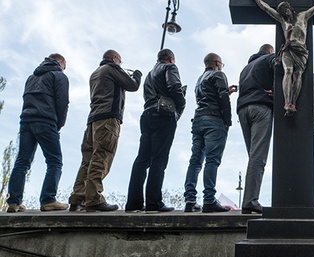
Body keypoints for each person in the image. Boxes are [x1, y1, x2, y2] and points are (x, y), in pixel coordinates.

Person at [69, 50, 142, 212]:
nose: (120, 65)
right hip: (108, 119)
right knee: (102, 157)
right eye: (120, 62)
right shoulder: (111, 68)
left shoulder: (95, 73)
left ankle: (77, 198)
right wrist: (137, 75)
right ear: (115, 59)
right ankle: (94, 198)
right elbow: (132, 85)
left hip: (92, 120)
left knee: (87, 160)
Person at [248, 0, 314, 116]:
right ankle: (287, 102)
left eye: (286, 10)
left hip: (301, 51)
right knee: (288, 71)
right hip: (288, 49)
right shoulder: (283, 21)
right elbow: (266, 8)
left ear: (290, 9)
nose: (285, 13)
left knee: (298, 74)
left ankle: (293, 102)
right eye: (282, 12)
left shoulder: (303, 17)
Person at [6, 54, 69, 212]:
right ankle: (48, 199)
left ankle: (14, 202)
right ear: (60, 63)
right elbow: (62, 101)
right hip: (46, 120)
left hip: (26, 120)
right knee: (55, 161)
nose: (64, 69)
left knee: (22, 162)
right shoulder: (58, 76)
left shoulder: (31, 77)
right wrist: (59, 124)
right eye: (65, 65)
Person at [125, 49, 186, 213]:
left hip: (147, 114)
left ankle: (133, 203)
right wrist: (180, 105)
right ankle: (154, 202)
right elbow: (174, 86)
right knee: (159, 158)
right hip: (163, 114)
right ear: (171, 59)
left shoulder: (149, 74)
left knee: (142, 159)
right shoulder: (170, 68)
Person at [183, 53, 238, 213]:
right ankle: (209, 200)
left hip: (198, 119)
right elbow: (222, 98)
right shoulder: (219, 74)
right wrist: (227, 121)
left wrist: (226, 91)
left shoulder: (199, 79)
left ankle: (190, 200)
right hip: (214, 120)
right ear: (216, 62)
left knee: (195, 161)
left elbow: (211, 96)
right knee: (212, 160)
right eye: (221, 64)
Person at [236, 44, 275, 214]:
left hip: (243, 110)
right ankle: (250, 201)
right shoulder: (269, 59)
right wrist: (278, 91)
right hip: (260, 108)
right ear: (270, 51)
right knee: (258, 156)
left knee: (252, 156)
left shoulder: (245, 69)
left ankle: (249, 199)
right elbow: (281, 69)